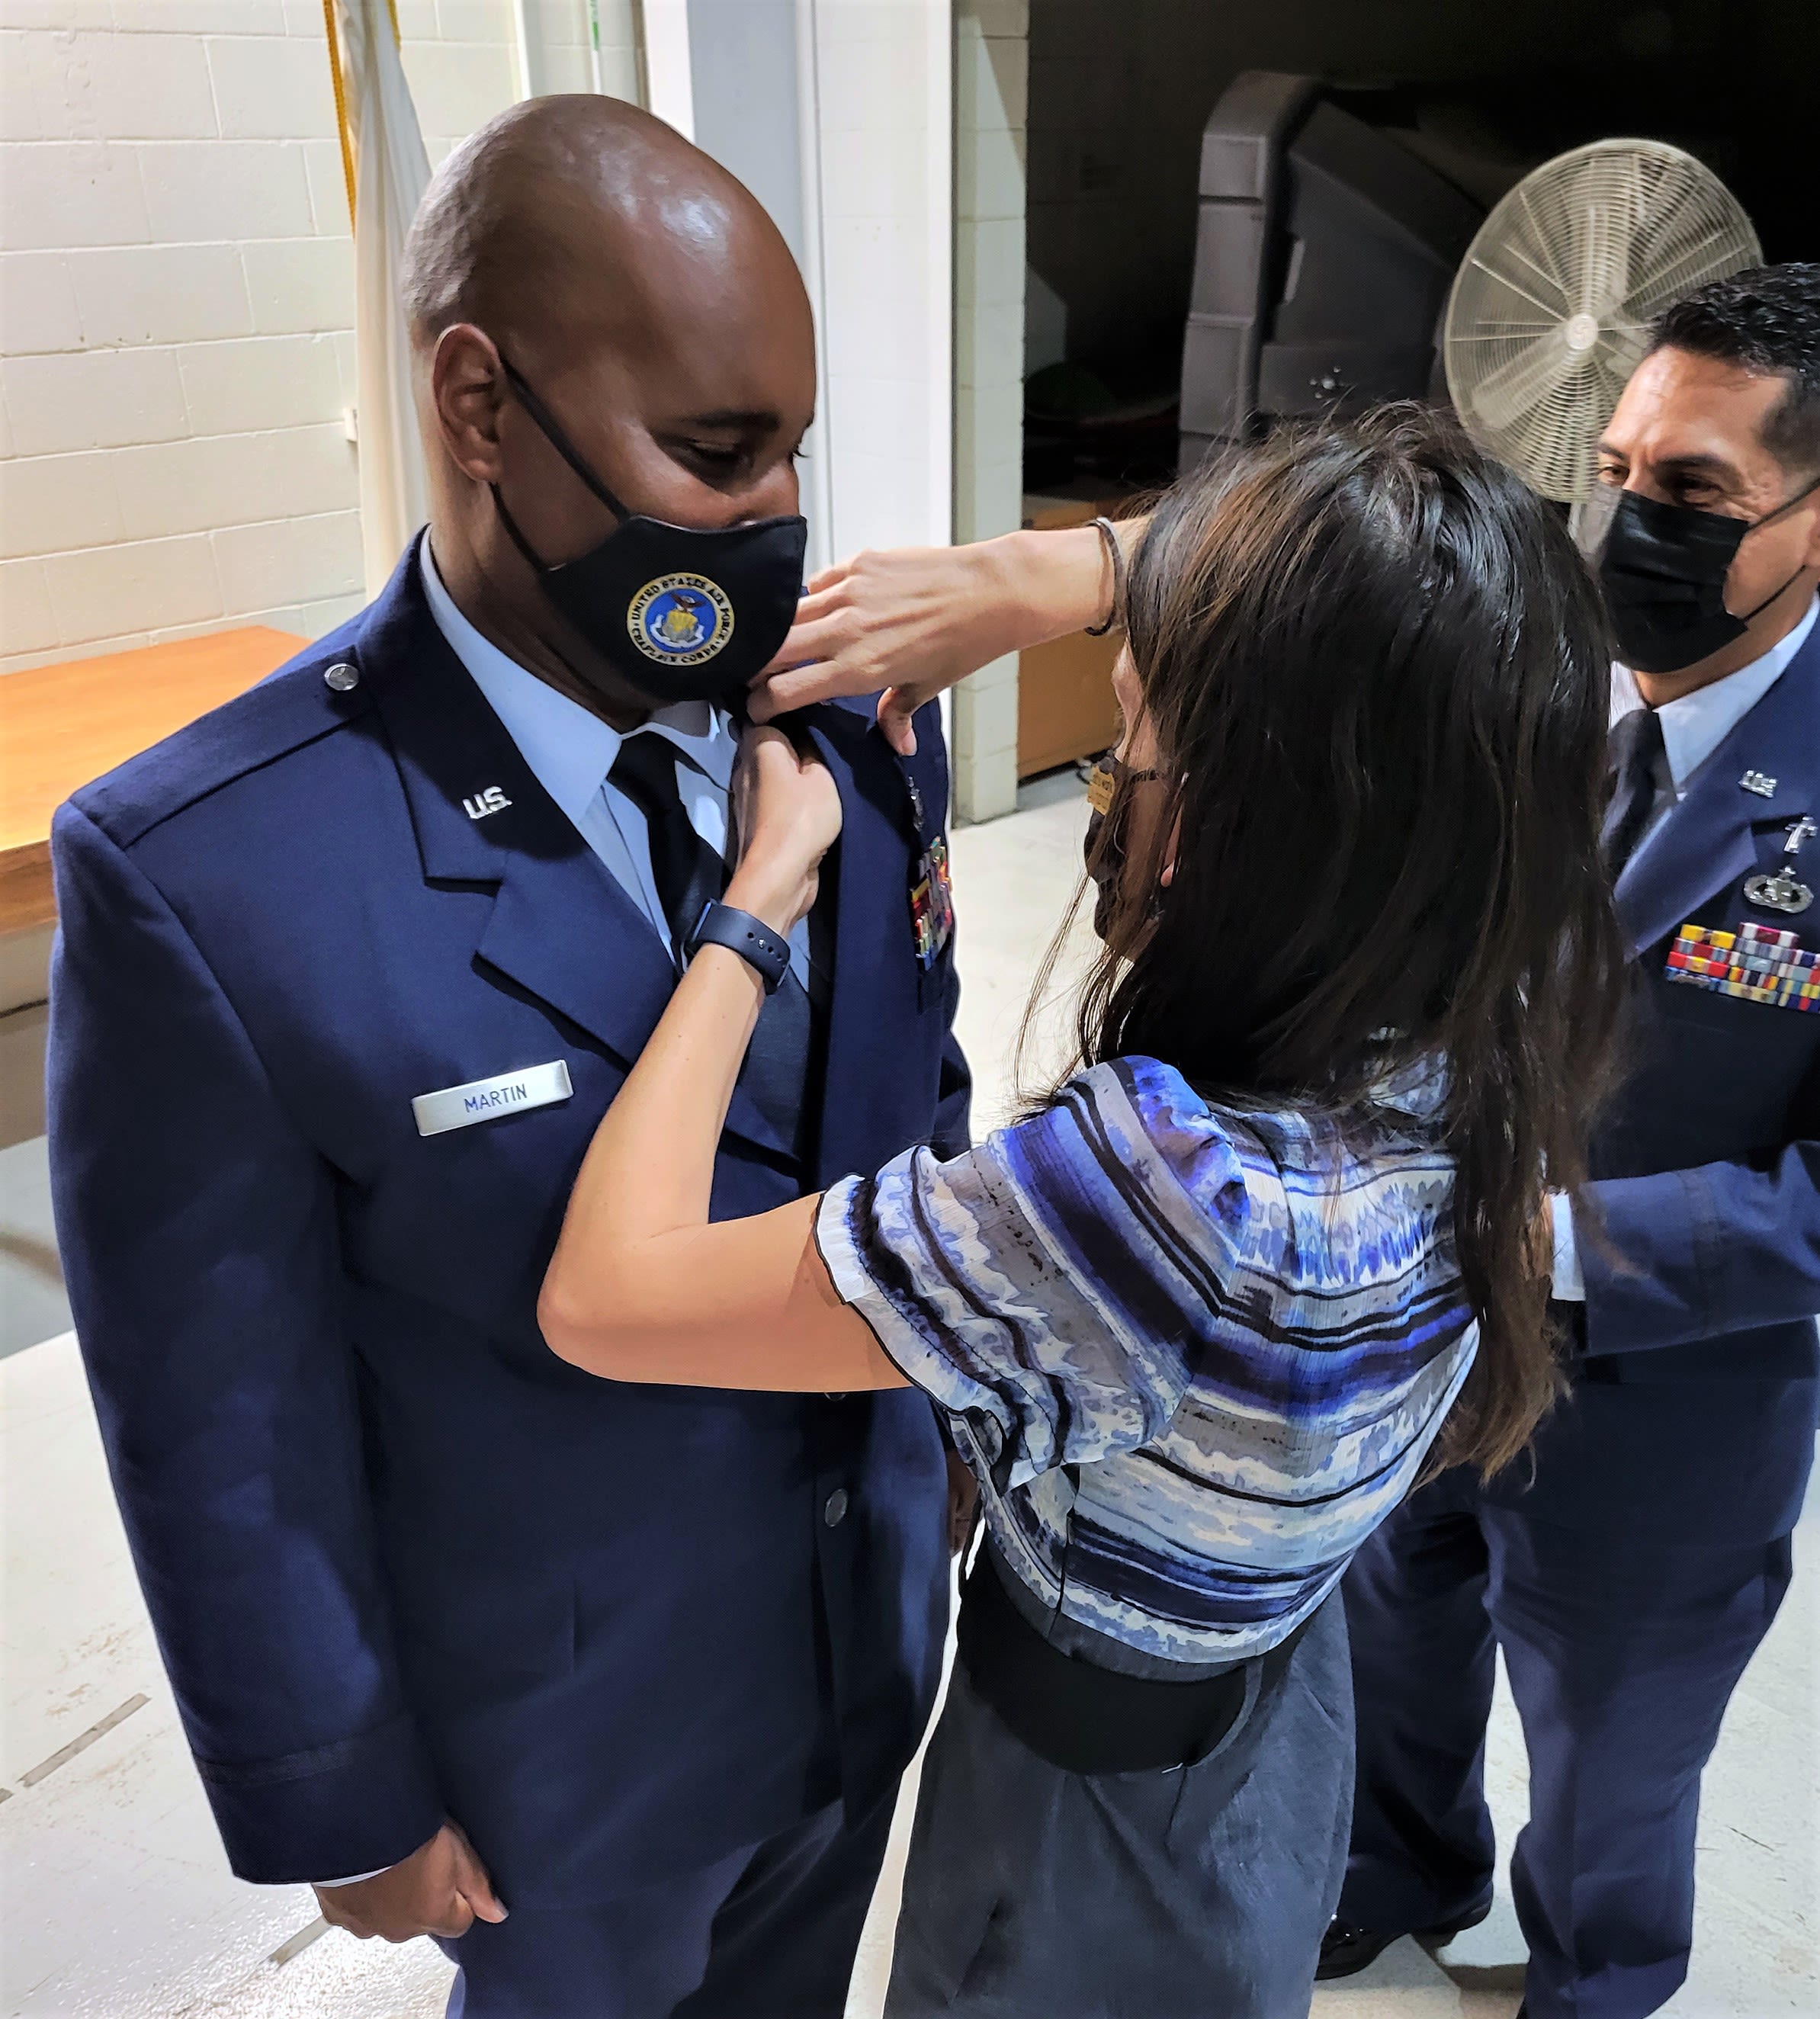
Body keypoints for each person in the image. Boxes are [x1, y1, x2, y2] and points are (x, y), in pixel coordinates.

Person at [47, 97, 968, 2019]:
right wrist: (340, 1780)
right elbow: (220, 1416)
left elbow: (914, 1107)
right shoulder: (214, 874)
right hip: (559, 1751)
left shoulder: (857, 743)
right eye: (715, 456)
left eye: (795, 452)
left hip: (859, 1642)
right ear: (480, 407)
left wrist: (946, 1441)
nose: (773, 522)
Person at [538, 406, 1626, 2016]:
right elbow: (1468, 594)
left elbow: (608, 1293)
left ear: (1265, 818)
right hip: (1272, 1698)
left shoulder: (1168, 1193)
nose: (1110, 778)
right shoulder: (1479, 1008)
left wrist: (757, 904)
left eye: (1130, 741)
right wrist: (1055, 574)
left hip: (1093, 1804)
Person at [1321, 262, 1820, 2019]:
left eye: (1692, 494)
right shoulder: (1552, 681)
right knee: (1398, 1619)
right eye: (1615, 474)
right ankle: (1400, 1866)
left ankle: (1596, 1985)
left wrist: (1546, 1239)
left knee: (1613, 1749)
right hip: (1431, 1318)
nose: (1631, 528)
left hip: (1665, 1399)